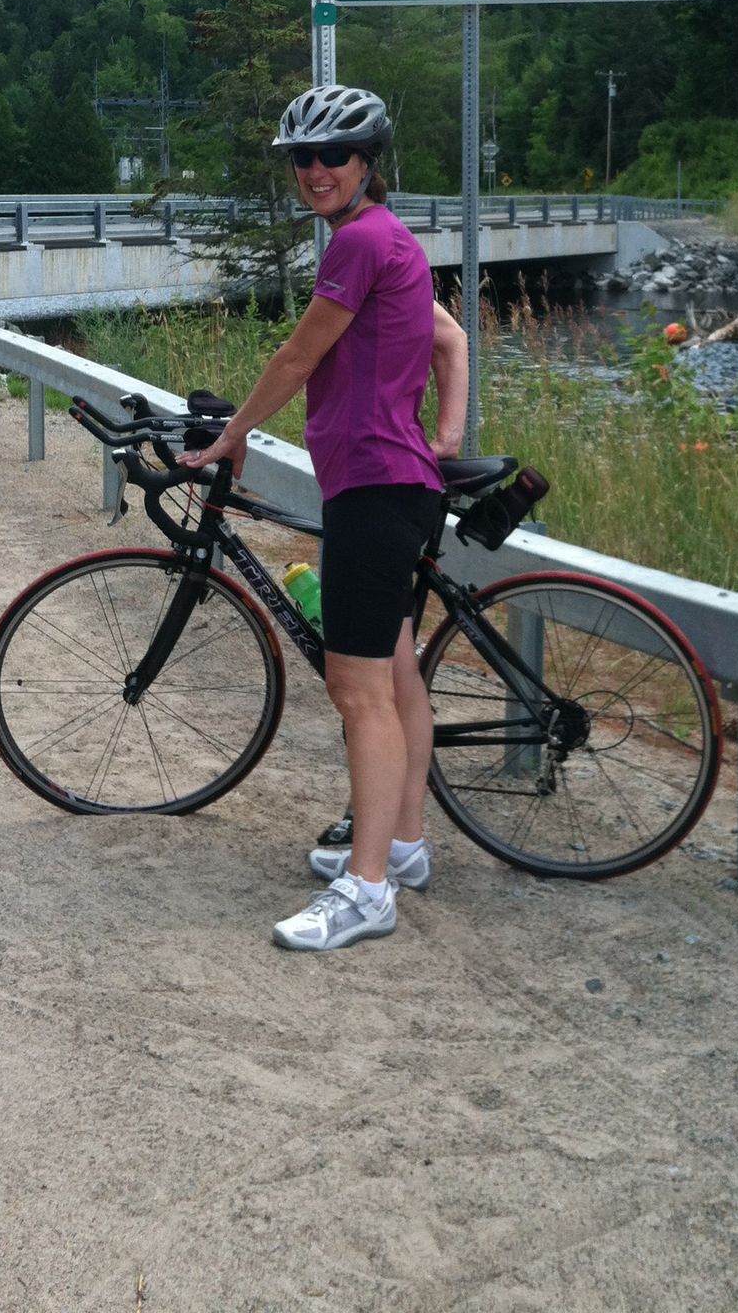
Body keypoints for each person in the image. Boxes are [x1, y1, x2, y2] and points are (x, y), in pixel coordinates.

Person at [179, 83, 468, 952]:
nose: (313, 171)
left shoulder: (360, 243)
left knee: (359, 691)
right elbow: (449, 342)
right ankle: (404, 847)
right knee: (398, 671)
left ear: (367, 163)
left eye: (331, 156)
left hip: (376, 490)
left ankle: (368, 889)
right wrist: (444, 439)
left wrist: (234, 434)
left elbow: (301, 353)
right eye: (300, 158)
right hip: (398, 482)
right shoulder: (388, 242)